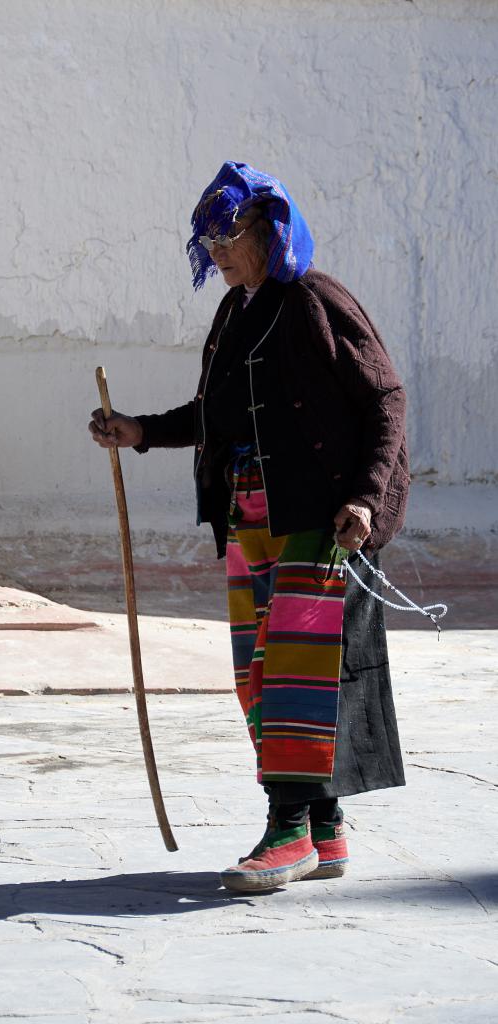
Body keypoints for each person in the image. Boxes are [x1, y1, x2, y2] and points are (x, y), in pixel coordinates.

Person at [89, 162, 408, 893]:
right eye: (209, 241)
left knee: (295, 670)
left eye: (227, 237)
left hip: (318, 520)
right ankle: (324, 831)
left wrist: (365, 498)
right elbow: (217, 416)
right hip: (248, 520)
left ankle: (285, 831)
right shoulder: (235, 313)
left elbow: (386, 399)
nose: (217, 253)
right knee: (255, 675)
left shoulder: (318, 302)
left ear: (269, 230)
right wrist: (137, 430)